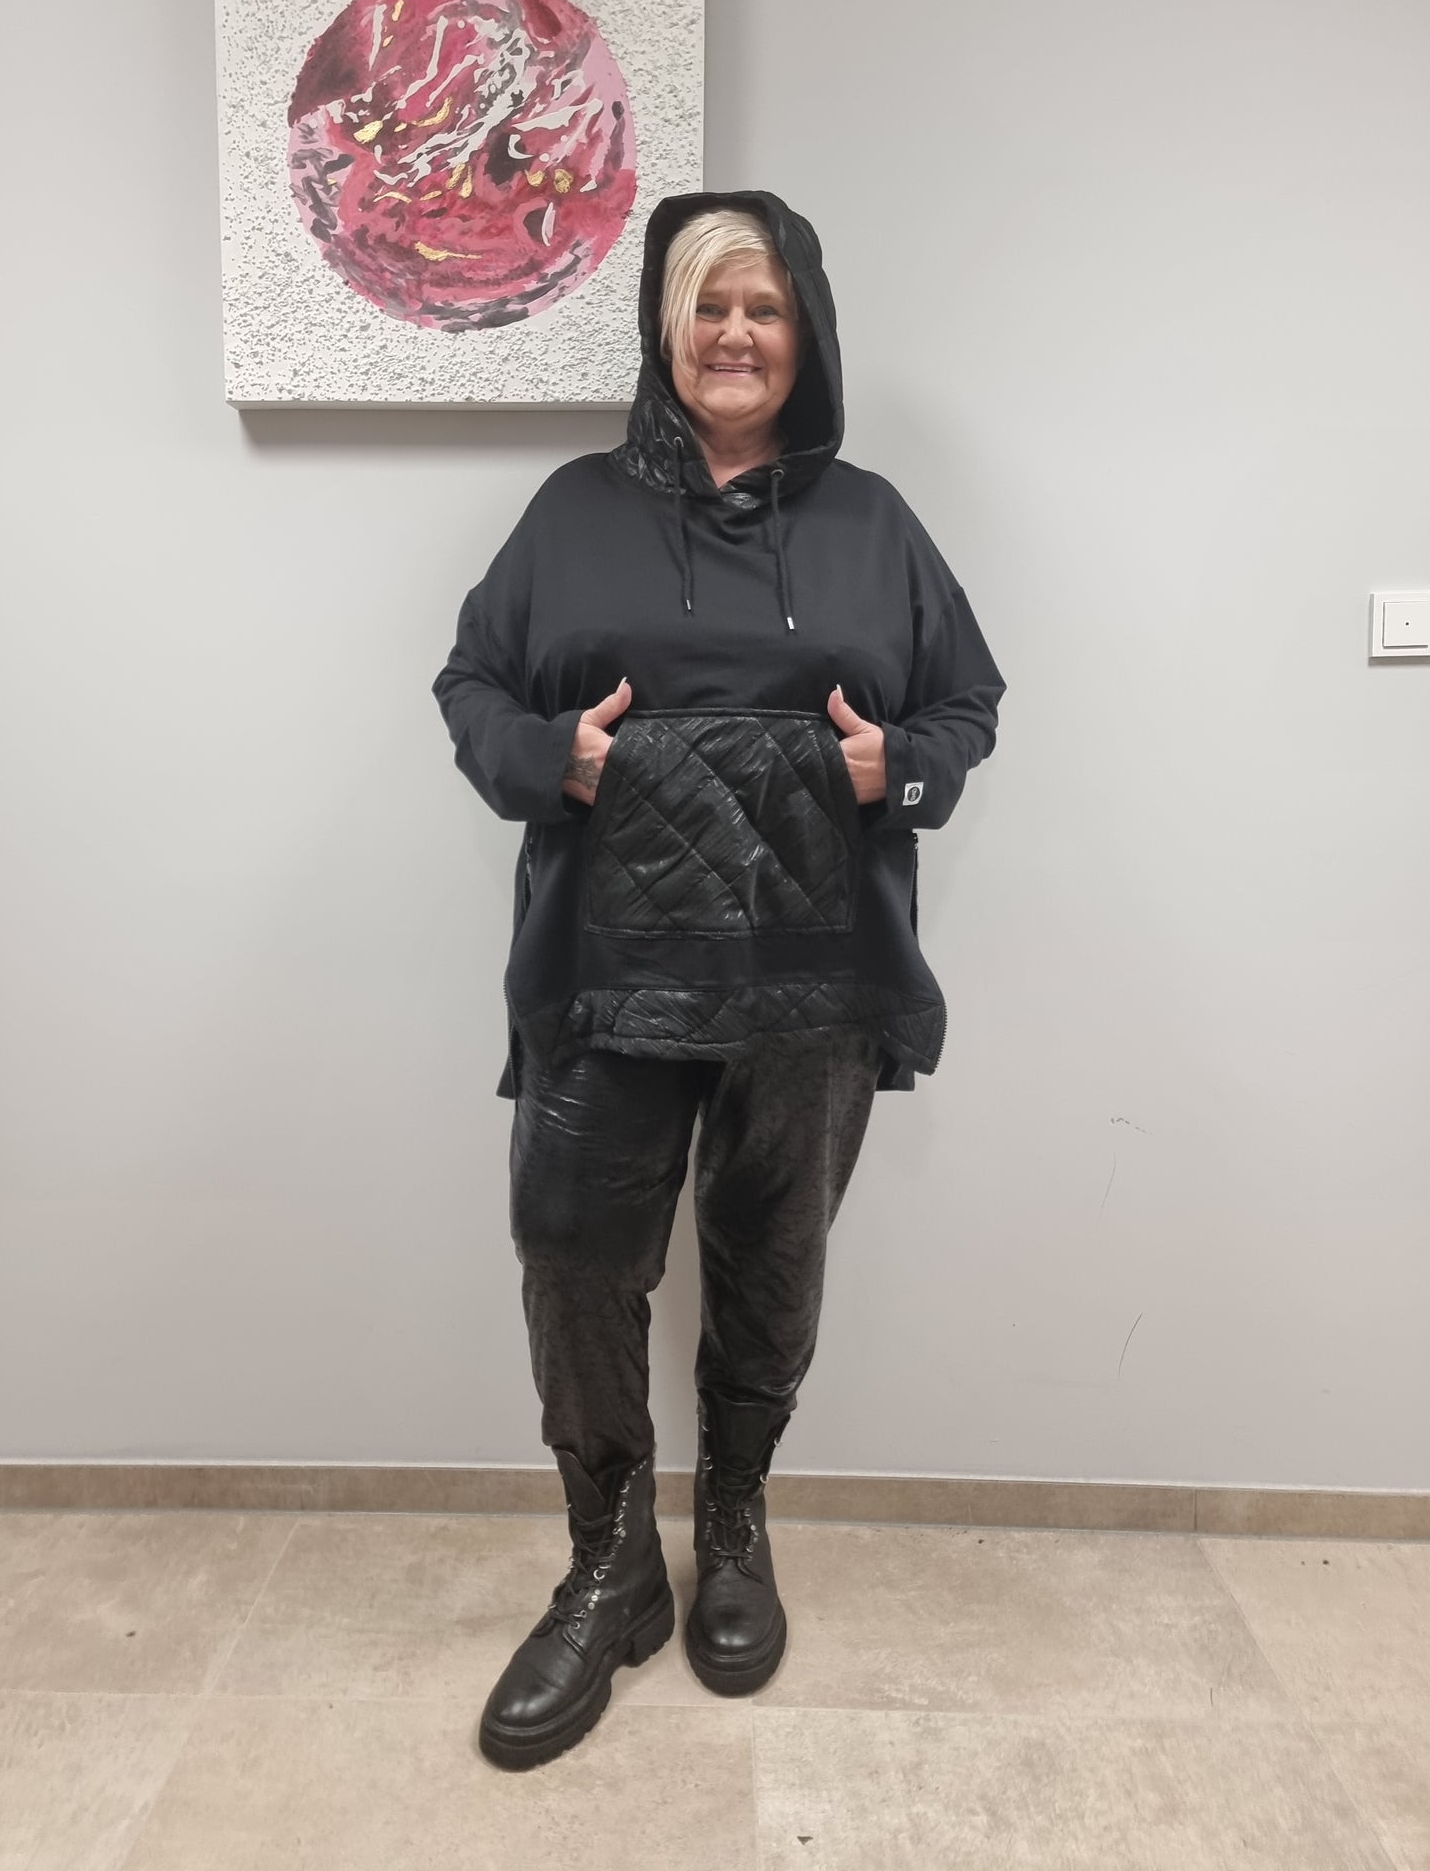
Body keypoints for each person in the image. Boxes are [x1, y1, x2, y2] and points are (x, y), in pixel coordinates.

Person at [432, 190, 1006, 1769]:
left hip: (814, 975)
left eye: (765, 308)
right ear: (665, 330)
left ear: (804, 333)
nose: (736, 335)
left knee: (771, 1262)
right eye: (708, 306)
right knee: (572, 1256)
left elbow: (968, 701)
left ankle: (735, 1525)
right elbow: (472, 682)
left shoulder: (875, 523)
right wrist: (550, 755)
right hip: (604, 966)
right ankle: (610, 1566)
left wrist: (903, 766)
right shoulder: (572, 511)